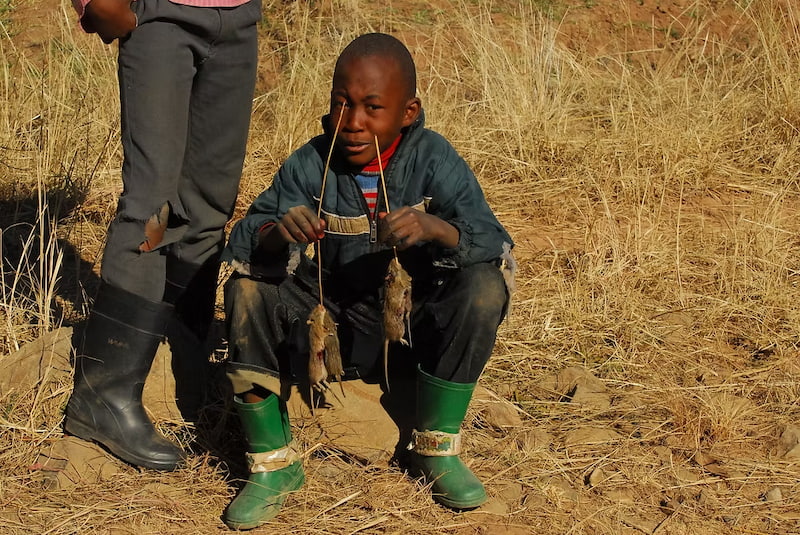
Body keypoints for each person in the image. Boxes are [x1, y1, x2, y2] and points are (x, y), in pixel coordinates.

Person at [221, 32, 515, 530]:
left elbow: (491, 238)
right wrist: (276, 235)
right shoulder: (311, 161)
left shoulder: (433, 158)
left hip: (409, 331)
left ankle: (434, 449)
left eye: (372, 108)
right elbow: (247, 238)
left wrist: (435, 229)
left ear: (408, 111)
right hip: (328, 327)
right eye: (342, 103)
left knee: (485, 286)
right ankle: (272, 464)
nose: (352, 123)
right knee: (245, 288)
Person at [63, 0, 261, 471]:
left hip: (237, 20)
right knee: (150, 205)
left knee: (208, 206)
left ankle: (184, 366)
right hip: (160, 17)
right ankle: (103, 396)